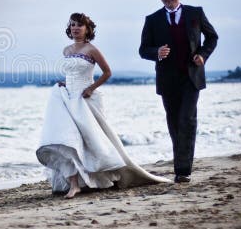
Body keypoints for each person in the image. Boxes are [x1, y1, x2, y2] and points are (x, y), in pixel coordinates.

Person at [36, 13, 171, 198]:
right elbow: (71, 75)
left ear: (87, 29)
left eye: (80, 25)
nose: (76, 28)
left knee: (94, 140)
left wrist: (91, 88)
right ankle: (74, 184)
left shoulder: (92, 50)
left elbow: (107, 72)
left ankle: (109, 175)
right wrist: (65, 84)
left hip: (86, 99)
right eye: (73, 25)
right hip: (68, 97)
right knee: (69, 139)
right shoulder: (66, 50)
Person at [139, 0, 218, 183]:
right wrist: (157, 51)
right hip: (167, 81)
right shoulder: (152, 20)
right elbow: (142, 49)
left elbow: (212, 37)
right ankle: (180, 165)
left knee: (187, 120)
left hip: (191, 78)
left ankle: (183, 170)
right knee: (174, 123)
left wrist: (203, 55)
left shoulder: (195, 13)